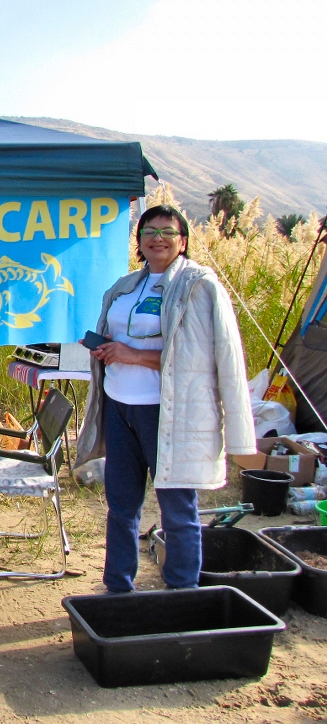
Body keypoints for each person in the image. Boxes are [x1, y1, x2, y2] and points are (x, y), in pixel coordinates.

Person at [75, 204, 256, 593]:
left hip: (168, 414)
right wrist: (106, 348)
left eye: (168, 232)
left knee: (177, 510)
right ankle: (117, 587)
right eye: (149, 231)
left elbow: (206, 356)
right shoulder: (124, 287)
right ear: (138, 241)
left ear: (183, 241)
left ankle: (182, 591)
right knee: (122, 506)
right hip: (119, 407)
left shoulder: (199, 286)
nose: (158, 238)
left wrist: (133, 355)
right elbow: (120, 340)